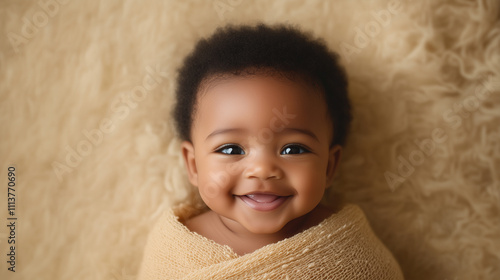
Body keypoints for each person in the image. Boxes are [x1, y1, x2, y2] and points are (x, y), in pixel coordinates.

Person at [137, 23, 404, 279]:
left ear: (329, 166)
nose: (263, 168)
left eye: (293, 149)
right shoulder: (172, 251)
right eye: (231, 149)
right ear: (193, 165)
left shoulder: (353, 256)